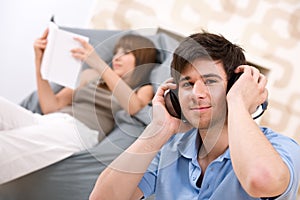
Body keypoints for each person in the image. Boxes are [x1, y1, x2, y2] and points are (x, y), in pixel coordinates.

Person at [89, 31, 300, 200]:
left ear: (234, 87)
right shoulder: (170, 148)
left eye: (210, 81)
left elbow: (261, 180)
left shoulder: (282, 148)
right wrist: (158, 129)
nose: (196, 94)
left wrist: (238, 104)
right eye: (188, 84)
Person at [0, 29, 158, 184]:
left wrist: (100, 64)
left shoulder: (142, 88)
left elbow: (135, 108)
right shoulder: (91, 75)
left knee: (7, 145)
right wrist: (39, 62)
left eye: (126, 52)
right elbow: (52, 106)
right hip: (51, 120)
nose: (117, 57)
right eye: (116, 52)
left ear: (141, 58)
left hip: (79, 131)